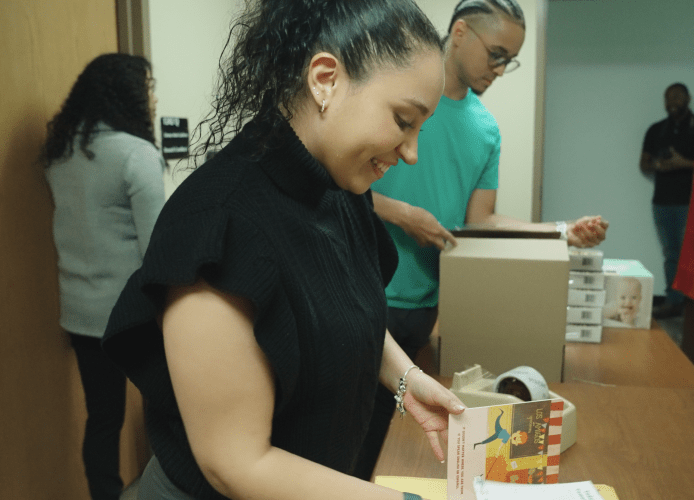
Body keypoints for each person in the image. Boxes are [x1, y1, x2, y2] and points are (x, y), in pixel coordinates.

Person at [101, 1, 466, 499]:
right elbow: (237, 464)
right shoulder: (218, 224)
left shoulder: (341, 190)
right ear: (325, 79)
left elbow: (336, 312)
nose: (411, 152)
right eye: (404, 120)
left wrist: (407, 378)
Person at [354, 0, 608, 479]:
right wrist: (404, 214)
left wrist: (560, 231)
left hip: (425, 303)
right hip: (363, 287)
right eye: (496, 53)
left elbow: (483, 219)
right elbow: (339, 185)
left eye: (509, 59)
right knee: (353, 437)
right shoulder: (395, 100)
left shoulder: (484, 127)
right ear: (461, 32)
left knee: (406, 443)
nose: (500, 69)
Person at [42, 53, 165, 500]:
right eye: (149, 89)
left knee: (103, 420)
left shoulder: (62, 151)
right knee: (167, 411)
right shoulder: (137, 154)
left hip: (80, 315)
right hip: (133, 315)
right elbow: (159, 252)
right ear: (128, 94)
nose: (153, 99)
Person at [640, 83, 694, 319]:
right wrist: (659, 165)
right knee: (671, 254)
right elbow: (644, 164)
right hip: (662, 203)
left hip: (691, 203)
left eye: (676, 96)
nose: (671, 101)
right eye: (667, 97)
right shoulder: (656, 130)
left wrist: (684, 163)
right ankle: (673, 302)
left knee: (692, 254)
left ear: (688, 98)